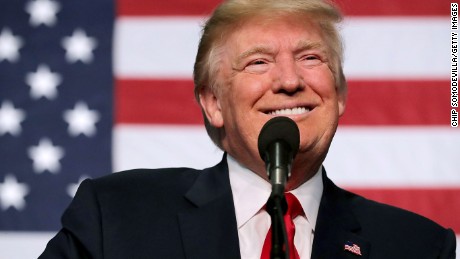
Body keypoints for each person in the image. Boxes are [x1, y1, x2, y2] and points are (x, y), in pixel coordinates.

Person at [39, 0, 456, 258]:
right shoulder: (116, 217)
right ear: (213, 103)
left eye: (311, 58)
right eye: (259, 61)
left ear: (340, 94)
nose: (289, 80)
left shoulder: (416, 245)